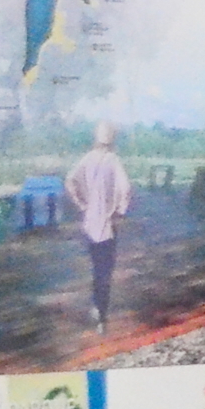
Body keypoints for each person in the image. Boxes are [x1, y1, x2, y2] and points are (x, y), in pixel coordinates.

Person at [68, 121, 133, 329]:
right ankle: (101, 314)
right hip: (107, 224)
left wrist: (82, 205)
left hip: (90, 224)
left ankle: (96, 305)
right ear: (112, 139)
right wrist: (120, 211)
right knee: (105, 271)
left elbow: (70, 181)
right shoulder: (113, 160)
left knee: (96, 267)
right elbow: (126, 188)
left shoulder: (86, 159)